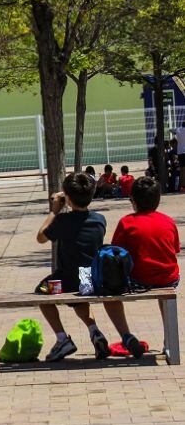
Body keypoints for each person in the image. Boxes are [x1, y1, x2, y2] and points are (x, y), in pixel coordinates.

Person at [36, 172, 125, 362]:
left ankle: (62, 338)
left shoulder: (62, 221)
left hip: (65, 280)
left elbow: (41, 237)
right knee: (79, 298)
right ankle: (94, 331)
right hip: (89, 279)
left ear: (67, 197)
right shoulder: (99, 219)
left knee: (41, 295)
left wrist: (54, 210)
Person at [102, 176, 177, 358]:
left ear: (133, 200)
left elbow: (117, 252)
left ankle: (126, 336)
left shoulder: (127, 222)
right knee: (164, 292)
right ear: (158, 200)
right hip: (169, 278)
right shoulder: (168, 221)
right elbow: (174, 248)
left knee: (107, 293)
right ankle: (169, 338)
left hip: (138, 281)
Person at [170, 121, 185, 190]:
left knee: (182, 170)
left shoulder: (178, 129)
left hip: (180, 152)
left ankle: (182, 186)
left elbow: (171, 130)